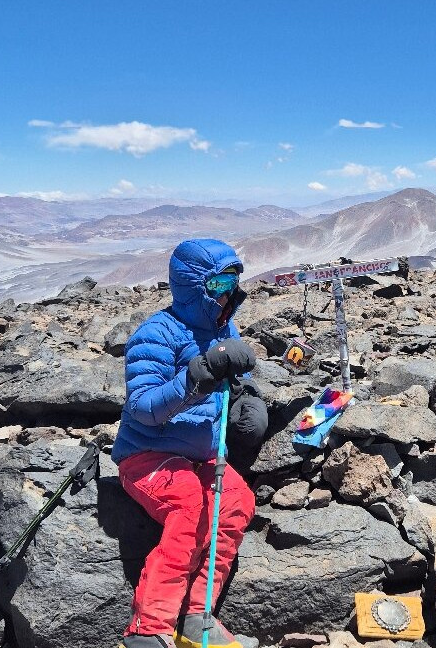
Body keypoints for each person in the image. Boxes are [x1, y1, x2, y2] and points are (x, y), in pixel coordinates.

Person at [112, 239, 266, 648]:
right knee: (190, 506)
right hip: (148, 455)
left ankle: (198, 618)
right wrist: (196, 378)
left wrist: (247, 395)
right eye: (217, 283)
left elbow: (230, 376)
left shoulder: (222, 327)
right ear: (192, 286)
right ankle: (149, 630)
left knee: (236, 503)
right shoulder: (156, 334)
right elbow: (143, 406)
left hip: (201, 452)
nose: (228, 292)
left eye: (232, 281)